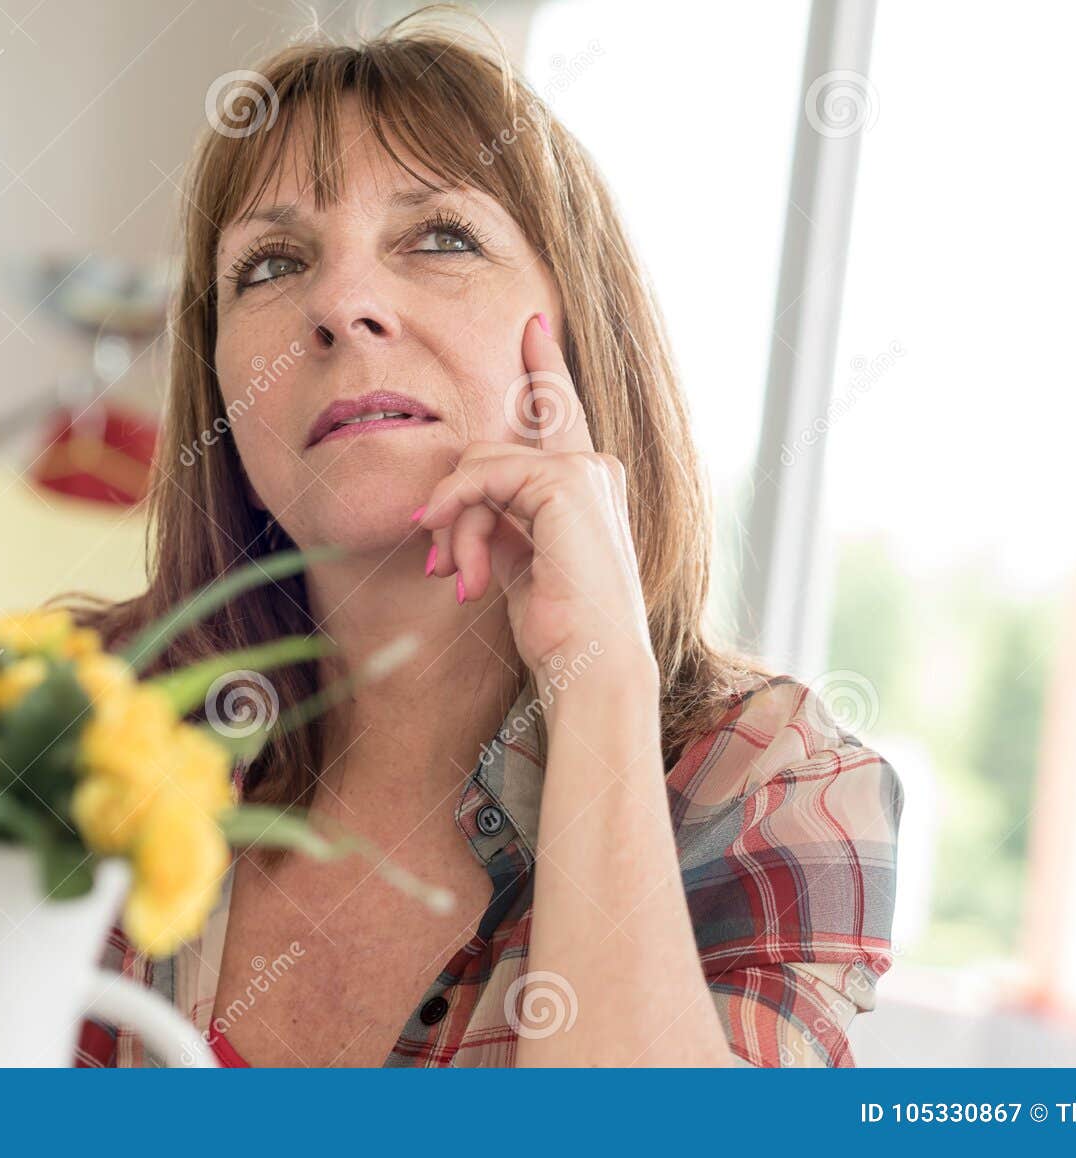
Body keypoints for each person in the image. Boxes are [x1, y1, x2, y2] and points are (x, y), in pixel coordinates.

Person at [75, 6, 902, 1068]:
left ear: (574, 334)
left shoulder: (770, 784)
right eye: (272, 264)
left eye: (439, 237)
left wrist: (599, 682)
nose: (342, 302)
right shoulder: (66, 716)